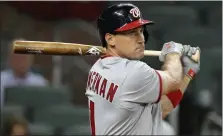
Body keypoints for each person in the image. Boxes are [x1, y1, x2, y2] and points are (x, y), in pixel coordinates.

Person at [85, 3, 200, 135]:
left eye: (140, 31)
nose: (141, 39)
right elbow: (173, 80)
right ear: (110, 39)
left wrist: (188, 73)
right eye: (132, 33)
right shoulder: (133, 71)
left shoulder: (97, 68)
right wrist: (173, 53)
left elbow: (162, 109)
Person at [1, 40, 48, 106]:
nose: (20, 62)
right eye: (17, 58)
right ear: (10, 60)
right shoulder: (1, 80)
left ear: (31, 60)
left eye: (24, 58)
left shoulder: (40, 83)